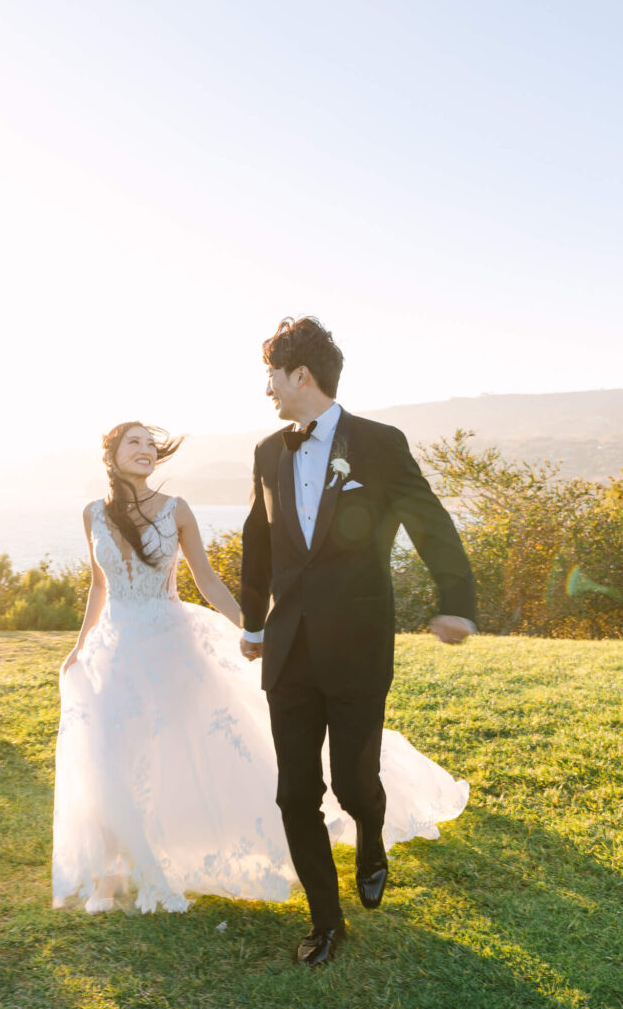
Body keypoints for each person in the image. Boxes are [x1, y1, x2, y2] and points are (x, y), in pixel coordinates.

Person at [52, 418, 470, 923]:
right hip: (114, 647)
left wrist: (253, 628)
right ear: (111, 454)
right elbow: (100, 585)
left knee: (168, 750)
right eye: (131, 443)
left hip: (169, 645)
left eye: (148, 443)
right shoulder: (92, 514)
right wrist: (79, 646)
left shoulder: (175, 510)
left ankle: (358, 818)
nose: (143, 450)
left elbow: (205, 579)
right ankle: (112, 872)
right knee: (114, 755)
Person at [240, 316, 476, 967]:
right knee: (294, 792)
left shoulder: (379, 443)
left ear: (301, 376)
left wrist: (455, 603)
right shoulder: (266, 453)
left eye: (272, 376)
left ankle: (371, 831)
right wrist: (254, 623)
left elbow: (431, 523)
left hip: (358, 648)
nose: (268, 390)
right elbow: (257, 545)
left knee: (351, 783)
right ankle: (327, 920)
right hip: (288, 650)